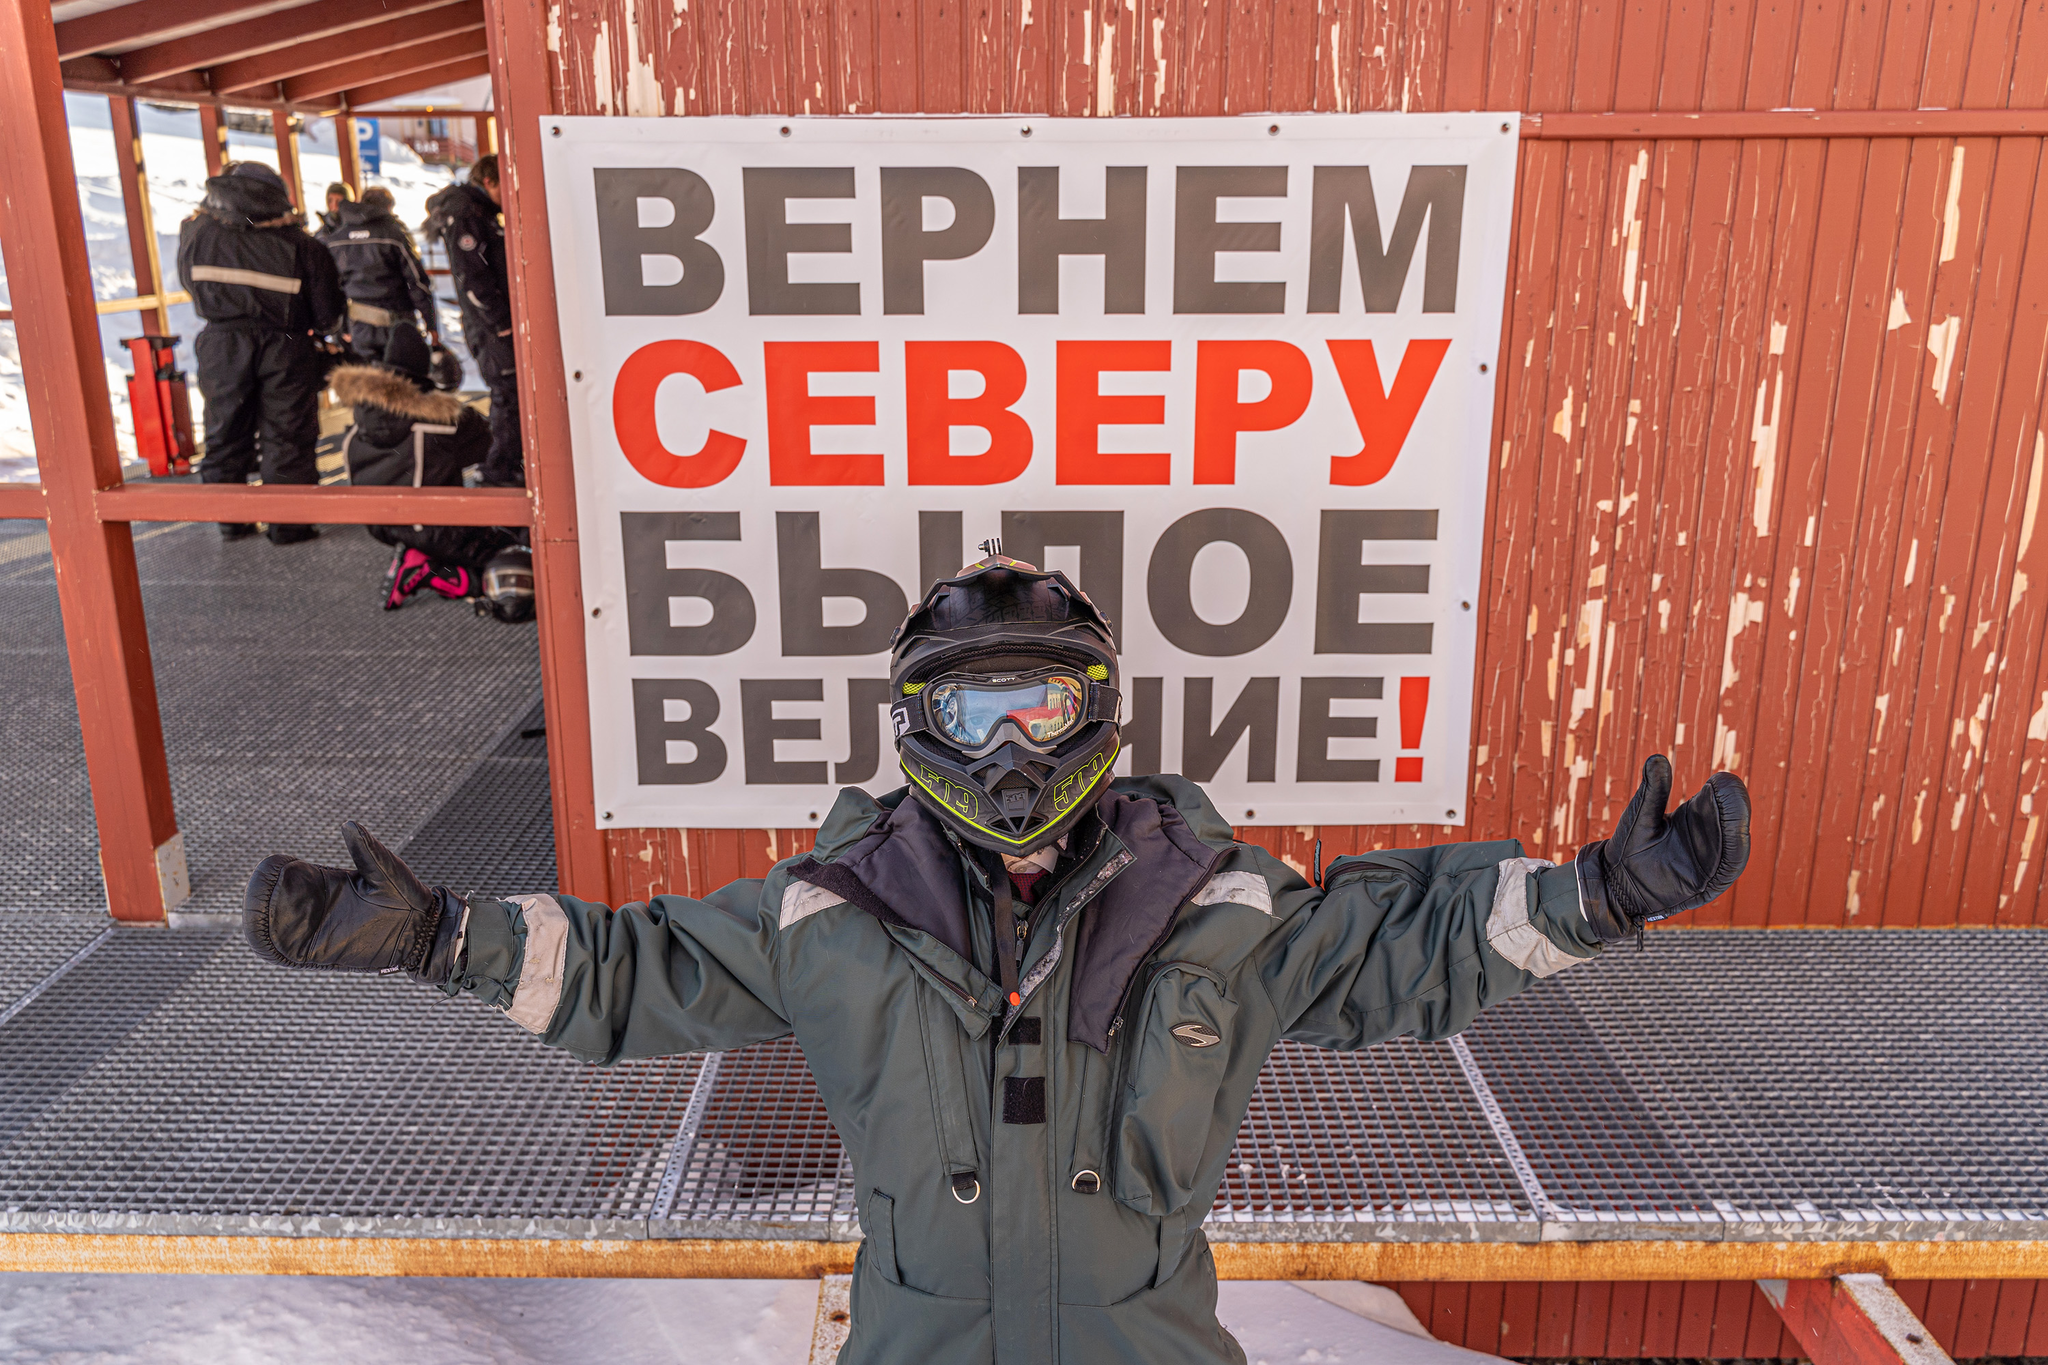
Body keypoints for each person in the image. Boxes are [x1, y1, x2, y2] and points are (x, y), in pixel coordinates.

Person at [244, 550, 1752, 1365]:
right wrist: (439, 937)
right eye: (977, 713)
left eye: (1044, 708)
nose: (1014, 747)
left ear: (1099, 716)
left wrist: (1598, 895)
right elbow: (632, 972)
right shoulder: (832, 915)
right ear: (920, 729)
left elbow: (1408, 946)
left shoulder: (1216, 906)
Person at [177, 161, 344, 544]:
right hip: (286, 347)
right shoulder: (304, 246)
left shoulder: (196, 234)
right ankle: (289, 527)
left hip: (221, 344)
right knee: (288, 436)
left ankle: (232, 522)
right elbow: (328, 316)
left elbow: (189, 283)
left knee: (225, 431)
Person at [327, 326, 519, 609]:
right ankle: (434, 573)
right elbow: (485, 443)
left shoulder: (359, 421)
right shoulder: (439, 422)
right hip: (435, 527)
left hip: (381, 525)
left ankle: (418, 558)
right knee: (509, 557)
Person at [425, 155, 521, 487]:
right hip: (490, 326)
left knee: (510, 394)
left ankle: (506, 464)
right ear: (490, 181)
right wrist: (501, 321)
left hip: (491, 323)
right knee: (507, 394)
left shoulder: (479, 212)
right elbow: (473, 278)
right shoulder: (467, 215)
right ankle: (498, 469)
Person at [320, 186, 440, 363]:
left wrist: (342, 327)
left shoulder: (337, 239)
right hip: (397, 323)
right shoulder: (394, 235)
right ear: (388, 207)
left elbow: (332, 288)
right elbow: (416, 283)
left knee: (367, 377)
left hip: (358, 326)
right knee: (400, 376)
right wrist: (430, 323)